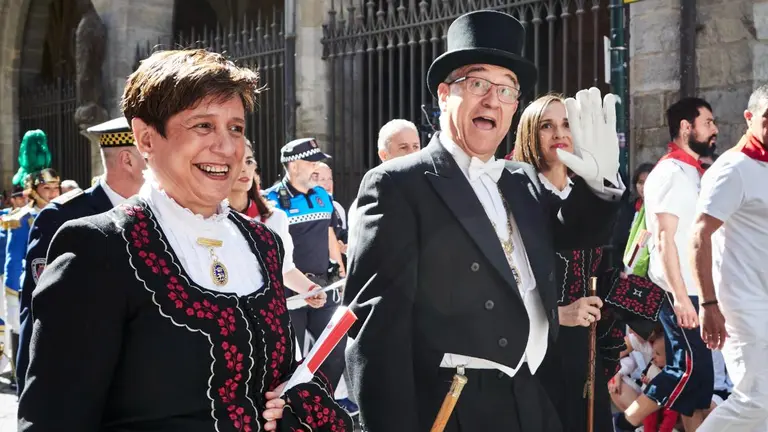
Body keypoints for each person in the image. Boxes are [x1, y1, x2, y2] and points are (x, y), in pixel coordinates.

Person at [17, 48, 352, 432]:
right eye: (203, 126)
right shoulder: (98, 247)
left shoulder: (264, 242)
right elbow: (52, 419)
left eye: (236, 128)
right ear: (145, 139)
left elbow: (274, 379)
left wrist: (294, 402)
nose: (227, 147)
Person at [344, 10, 625, 432]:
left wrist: (599, 186)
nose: (493, 100)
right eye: (478, 84)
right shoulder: (397, 184)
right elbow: (375, 336)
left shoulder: (520, 178)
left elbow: (575, 234)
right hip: (454, 406)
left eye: (508, 90)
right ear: (444, 94)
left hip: (531, 395)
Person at [512, 94, 664, 432]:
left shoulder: (588, 190)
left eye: (567, 124)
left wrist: (658, 307)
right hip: (536, 344)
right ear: (529, 133)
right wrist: (555, 314)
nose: (558, 134)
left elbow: (602, 272)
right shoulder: (516, 191)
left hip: (586, 342)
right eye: (546, 126)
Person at [15, 117, 147, 394]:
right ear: (128, 159)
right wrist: (32, 389)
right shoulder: (63, 216)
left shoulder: (159, 214)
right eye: (150, 153)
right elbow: (39, 307)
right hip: (84, 380)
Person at [616, 97, 718, 431]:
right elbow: (663, 238)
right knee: (684, 369)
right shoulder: (670, 173)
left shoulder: (693, 171)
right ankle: (625, 424)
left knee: (699, 382)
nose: (715, 129)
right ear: (686, 128)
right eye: (708, 122)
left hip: (697, 291)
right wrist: (679, 296)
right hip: (681, 292)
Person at [691, 84, 768, 431]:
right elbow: (699, 235)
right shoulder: (733, 168)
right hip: (745, 306)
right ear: (749, 118)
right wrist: (708, 305)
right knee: (757, 400)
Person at [263, 139, 354, 414]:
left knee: (335, 348)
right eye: (311, 162)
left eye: (317, 161)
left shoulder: (322, 197)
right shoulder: (270, 201)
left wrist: (340, 267)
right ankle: (288, 409)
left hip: (321, 287)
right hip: (288, 293)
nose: (316, 168)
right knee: (289, 357)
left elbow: (327, 234)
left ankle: (319, 404)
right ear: (293, 165)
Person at [228, 139, 326, 309]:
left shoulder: (275, 218)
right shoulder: (205, 218)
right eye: (235, 161)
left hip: (264, 312)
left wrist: (310, 289)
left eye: (249, 161)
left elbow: (285, 268)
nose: (244, 168)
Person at [2, 131, 61, 385]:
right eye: (46, 188)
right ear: (34, 190)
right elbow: (14, 258)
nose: (52, 193)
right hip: (29, 285)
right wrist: (12, 294)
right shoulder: (21, 218)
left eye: (55, 187)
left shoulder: (67, 212)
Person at [347, 119, 422, 252]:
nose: (412, 153)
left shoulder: (431, 190)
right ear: (384, 155)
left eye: (416, 146)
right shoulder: (369, 202)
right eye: (404, 147)